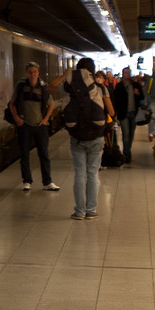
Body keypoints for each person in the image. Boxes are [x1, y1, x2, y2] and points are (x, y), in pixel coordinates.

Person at [51, 58, 111, 218]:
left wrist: (65, 74)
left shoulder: (67, 87)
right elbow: (111, 111)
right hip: (96, 136)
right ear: (91, 70)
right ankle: (91, 211)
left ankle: (79, 211)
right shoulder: (100, 87)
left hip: (77, 136)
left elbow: (51, 86)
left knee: (79, 173)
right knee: (92, 173)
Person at [10, 61, 59, 191]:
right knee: (24, 154)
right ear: (27, 73)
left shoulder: (43, 87)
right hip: (24, 125)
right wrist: (16, 118)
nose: (32, 74)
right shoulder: (20, 86)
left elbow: (51, 104)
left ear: (38, 73)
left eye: (35, 72)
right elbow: (12, 103)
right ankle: (27, 181)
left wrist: (46, 119)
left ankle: (47, 182)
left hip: (40, 126)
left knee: (44, 154)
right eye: (30, 72)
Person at [112, 67, 145, 164]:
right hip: (124, 114)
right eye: (125, 73)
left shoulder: (135, 85)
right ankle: (126, 154)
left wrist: (138, 94)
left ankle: (127, 150)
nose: (127, 75)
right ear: (123, 74)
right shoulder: (119, 87)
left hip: (133, 113)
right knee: (125, 134)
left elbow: (142, 97)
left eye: (128, 73)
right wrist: (115, 114)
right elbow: (116, 101)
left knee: (131, 134)